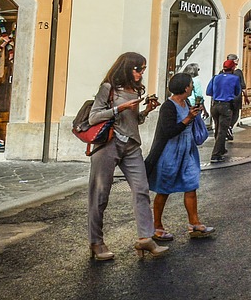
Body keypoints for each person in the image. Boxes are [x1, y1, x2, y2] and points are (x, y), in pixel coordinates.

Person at [86, 52, 164, 261]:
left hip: (131, 145)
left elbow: (133, 120)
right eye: (138, 69)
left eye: (143, 69)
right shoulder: (108, 88)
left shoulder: (136, 90)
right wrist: (119, 108)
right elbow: (94, 117)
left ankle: (145, 238)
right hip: (108, 145)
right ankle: (96, 242)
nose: (140, 73)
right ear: (126, 68)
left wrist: (145, 111)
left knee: (141, 189)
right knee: (100, 195)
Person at [146, 72, 214, 241]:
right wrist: (188, 119)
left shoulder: (187, 102)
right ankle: (157, 227)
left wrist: (193, 115)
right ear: (185, 87)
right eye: (190, 84)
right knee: (163, 190)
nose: (192, 86)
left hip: (188, 150)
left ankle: (195, 224)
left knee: (191, 185)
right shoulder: (168, 107)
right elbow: (168, 131)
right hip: (170, 152)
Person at [206, 59, 242, 163]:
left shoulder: (215, 78)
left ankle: (221, 149)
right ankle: (215, 155)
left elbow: (209, 92)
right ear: (232, 68)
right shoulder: (235, 79)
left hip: (215, 105)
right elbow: (237, 92)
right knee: (222, 131)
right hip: (226, 106)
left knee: (217, 128)